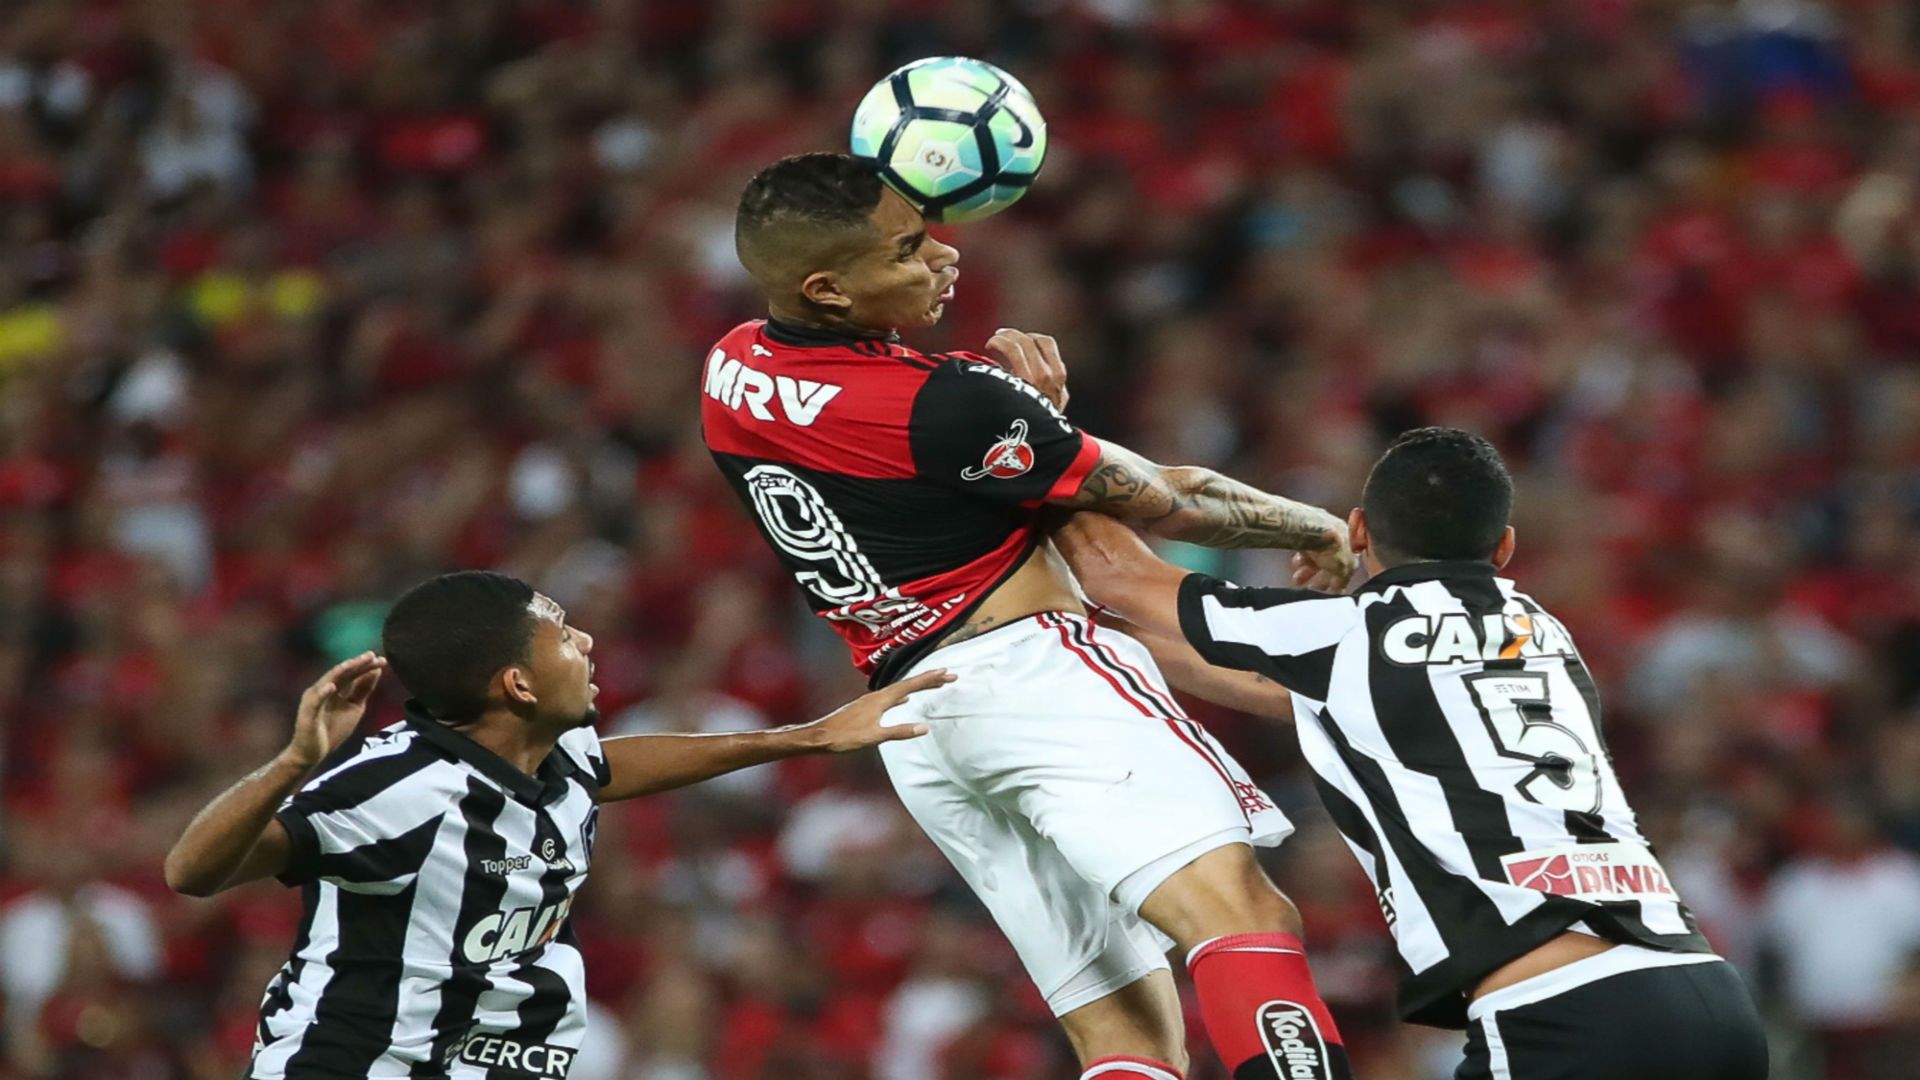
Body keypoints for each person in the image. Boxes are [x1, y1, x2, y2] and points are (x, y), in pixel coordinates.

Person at [703, 151, 1357, 1080]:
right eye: (906, 249)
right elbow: (1167, 501)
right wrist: (1320, 527)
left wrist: (1017, 417)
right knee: (1241, 917)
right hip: (1036, 681)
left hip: (917, 723)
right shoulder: (950, 404)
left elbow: (892, 454)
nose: (942, 258)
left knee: (1125, 1030)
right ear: (828, 288)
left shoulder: (730, 367)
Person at [1055, 427, 1771, 1080]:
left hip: (1562, 1017)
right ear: (1504, 548)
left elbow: (1118, 576)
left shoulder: (1350, 633)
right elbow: (1285, 694)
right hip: (1710, 994)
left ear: (1360, 530)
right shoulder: (1544, 632)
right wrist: (1111, 640)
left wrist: (1038, 447)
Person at [163, 570, 947, 1079]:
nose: (587, 642)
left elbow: (611, 767)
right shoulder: (399, 789)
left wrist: (803, 737)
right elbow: (191, 873)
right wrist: (295, 763)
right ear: (519, 684)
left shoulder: (555, 748)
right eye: (563, 635)